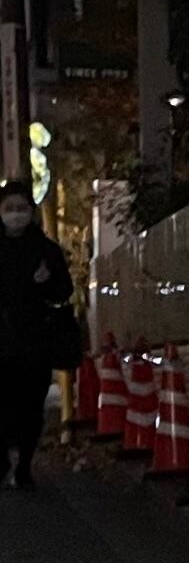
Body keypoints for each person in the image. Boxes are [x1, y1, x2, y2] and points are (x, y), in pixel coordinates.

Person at [0, 175, 76, 488]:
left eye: (21, 208)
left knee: (32, 405)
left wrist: (47, 282)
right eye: (9, 208)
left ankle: (24, 466)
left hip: (35, 343)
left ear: (31, 211)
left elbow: (64, 291)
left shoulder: (46, 250)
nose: (16, 214)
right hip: (2, 342)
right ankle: (4, 458)